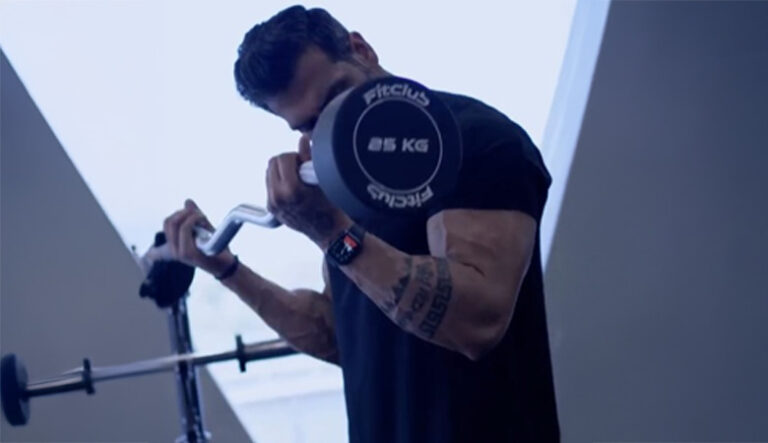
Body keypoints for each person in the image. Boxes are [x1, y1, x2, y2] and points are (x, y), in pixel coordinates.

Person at [162, 5, 559, 442]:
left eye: (337, 98)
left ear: (361, 49)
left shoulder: (475, 138)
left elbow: (477, 322)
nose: (332, 129)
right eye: (309, 125)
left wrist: (330, 232)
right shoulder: (344, 178)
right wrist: (228, 270)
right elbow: (342, 335)